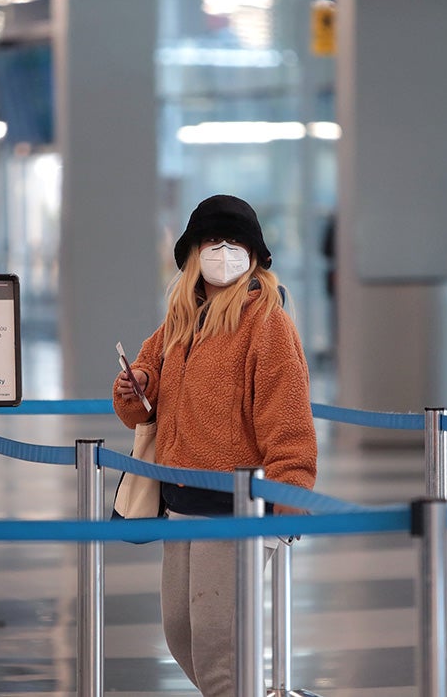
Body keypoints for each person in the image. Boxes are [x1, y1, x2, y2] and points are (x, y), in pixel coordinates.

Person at [113, 194, 317, 697]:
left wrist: (291, 494)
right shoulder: (180, 321)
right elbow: (143, 397)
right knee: (182, 636)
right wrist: (133, 387)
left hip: (236, 510)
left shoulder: (267, 323)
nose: (223, 251)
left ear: (255, 255)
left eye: (235, 243)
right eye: (211, 241)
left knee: (218, 652)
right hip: (181, 502)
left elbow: (288, 419)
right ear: (192, 254)